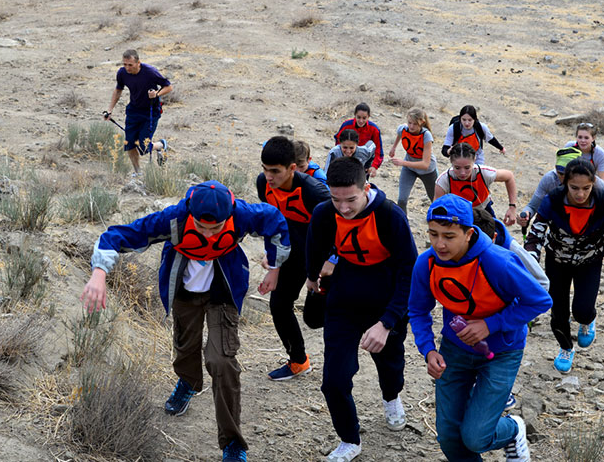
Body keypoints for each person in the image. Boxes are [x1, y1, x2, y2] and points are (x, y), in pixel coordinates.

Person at [81, 181, 290, 462]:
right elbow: (117, 235)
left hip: (223, 291)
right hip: (183, 290)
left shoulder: (241, 215)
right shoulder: (173, 218)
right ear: (190, 212)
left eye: (214, 229)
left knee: (222, 360)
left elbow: (276, 222)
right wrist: (98, 273)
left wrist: (274, 267)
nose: (206, 233)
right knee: (185, 346)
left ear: (228, 218)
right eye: (201, 227)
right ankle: (189, 383)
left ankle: (233, 443)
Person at [409, 195, 551, 462]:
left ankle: (513, 430)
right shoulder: (426, 264)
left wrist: (491, 324)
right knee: (449, 437)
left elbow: (540, 300)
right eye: (433, 234)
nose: (439, 244)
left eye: (449, 236)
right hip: (454, 350)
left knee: (475, 438)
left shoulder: (499, 261)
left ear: (469, 233)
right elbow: (418, 310)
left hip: (502, 352)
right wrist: (428, 351)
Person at [306, 158, 418, 462]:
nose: (343, 207)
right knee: (334, 381)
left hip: (385, 303)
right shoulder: (324, 213)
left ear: (366, 188)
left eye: (351, 199)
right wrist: (312, 278)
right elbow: (314, 249)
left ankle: (392, 397)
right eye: (336, 199)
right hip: (342, 302)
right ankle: (349, 440)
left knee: (390, 365)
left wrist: (387, 321)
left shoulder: (390, 215)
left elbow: (410, 270)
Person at [524, 160, 604, 374]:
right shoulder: (553, 201)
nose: (580, 194)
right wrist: (530, 261)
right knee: (557, 310)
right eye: (574, 188)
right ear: (565, 183)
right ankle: (566, 348)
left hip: (589, 261)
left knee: (583, 309)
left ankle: (587, 321)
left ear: (594, 183)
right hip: (557, 260)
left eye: (586, 188)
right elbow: (536, 232)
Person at [257, 136, 331, 381]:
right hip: (293, 254)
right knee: (279, 306)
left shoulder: (313, 191)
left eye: (275, 171)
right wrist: (274, 261)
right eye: (265, 170)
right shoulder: (263, 185)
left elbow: (343, 227)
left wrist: (332, 262)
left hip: (324, 259)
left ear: (292, 169)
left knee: (316, 318)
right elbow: (272, 221)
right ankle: (299, 361)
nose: (269, 177)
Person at [517, 146, 604, 229]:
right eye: (559, 173)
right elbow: (532, 206)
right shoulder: (550, 179)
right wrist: (526, 216)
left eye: (567, 175)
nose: (563, 178)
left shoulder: (592, 181)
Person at [104, 49, 172, 175]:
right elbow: (118, 90)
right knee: (129, 144)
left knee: (144, 145)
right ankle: (138, 173)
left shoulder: (150, 72)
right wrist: (110, 110)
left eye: (130, 65)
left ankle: (160, 145)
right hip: (133, 111)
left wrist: (157, 94)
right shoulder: (122, 73)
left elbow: (168, 87)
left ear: (138, 62)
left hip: (150, 112)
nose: (127, 68)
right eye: (125, 64)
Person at [433, 143, 519, 226]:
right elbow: (436, 208)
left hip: (484, 210)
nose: (462, 173)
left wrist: (512, 207)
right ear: (451, 162)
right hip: (458, 215)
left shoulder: (483, 173)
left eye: (467, 168)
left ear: (474, 160)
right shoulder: (444, 180)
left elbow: (509, 176)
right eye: (457, 168)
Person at [388, 107, 438, 214]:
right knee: (401, 200)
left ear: (422, 122)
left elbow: (425, 164)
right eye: (409, 123)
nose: (411, 126)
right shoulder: (403, 129)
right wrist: (394, 147)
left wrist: (402, 163)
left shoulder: (426, 136)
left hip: (428, 171)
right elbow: (399, 133)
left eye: (415, 124)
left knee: (435, 200)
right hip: (409, 169)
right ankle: (403, 226)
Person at [440, 105, 505, 166]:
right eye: (464, 120)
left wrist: (501, 148)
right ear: (460, 119)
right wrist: (449, 151)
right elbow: (444, 149)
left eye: (470, 120)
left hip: (477, 158)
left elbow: (491, 139)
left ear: (475, 119)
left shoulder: (481, 127)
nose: (467, 123)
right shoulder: (454, 128)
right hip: (459, 159)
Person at [334, 103, 384, 178]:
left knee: (360, 183)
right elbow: (338, 142)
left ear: (368, 117)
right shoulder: (346, 125)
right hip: (347, 155)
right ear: (354, 115)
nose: (361, 121)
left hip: (365, 160)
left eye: (364, 118)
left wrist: (374, 166)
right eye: (358, 117)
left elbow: (378, 149)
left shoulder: (374, 129)